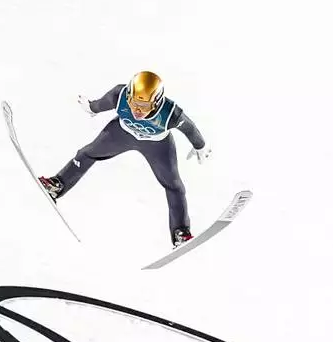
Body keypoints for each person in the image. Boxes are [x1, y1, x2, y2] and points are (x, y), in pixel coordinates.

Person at [38, 71, 212, 247]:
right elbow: (100, 104)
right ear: (128, 96)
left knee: (174, 186)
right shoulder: (119, 94)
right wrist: (91, 107)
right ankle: (57, 185)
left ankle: (181, 232)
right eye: (134, 103)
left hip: (157, 145)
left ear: (157, 103)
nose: (136, 110)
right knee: (88, 153)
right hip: (121, 133)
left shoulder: (171, 113)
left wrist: (200, 145)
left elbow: (190, 129)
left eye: (143, 106)